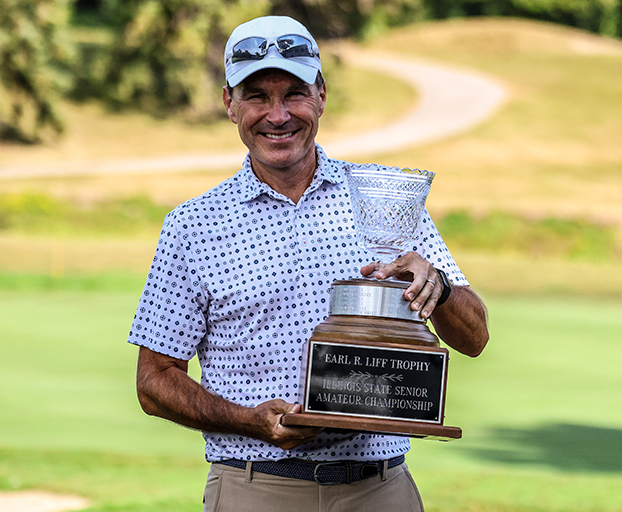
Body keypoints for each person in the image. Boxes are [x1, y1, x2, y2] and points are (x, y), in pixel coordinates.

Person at [127, 15, 489, 512]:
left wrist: (440, 290)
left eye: (294, 93)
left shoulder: (387, 199)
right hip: (255, 488)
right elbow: (154, 381)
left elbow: (474, 339)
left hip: (379, 489)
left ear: (321, 95)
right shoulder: (193, 226)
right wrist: (248, 419)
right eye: (257, 96)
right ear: (229, 104)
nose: (278, 115)